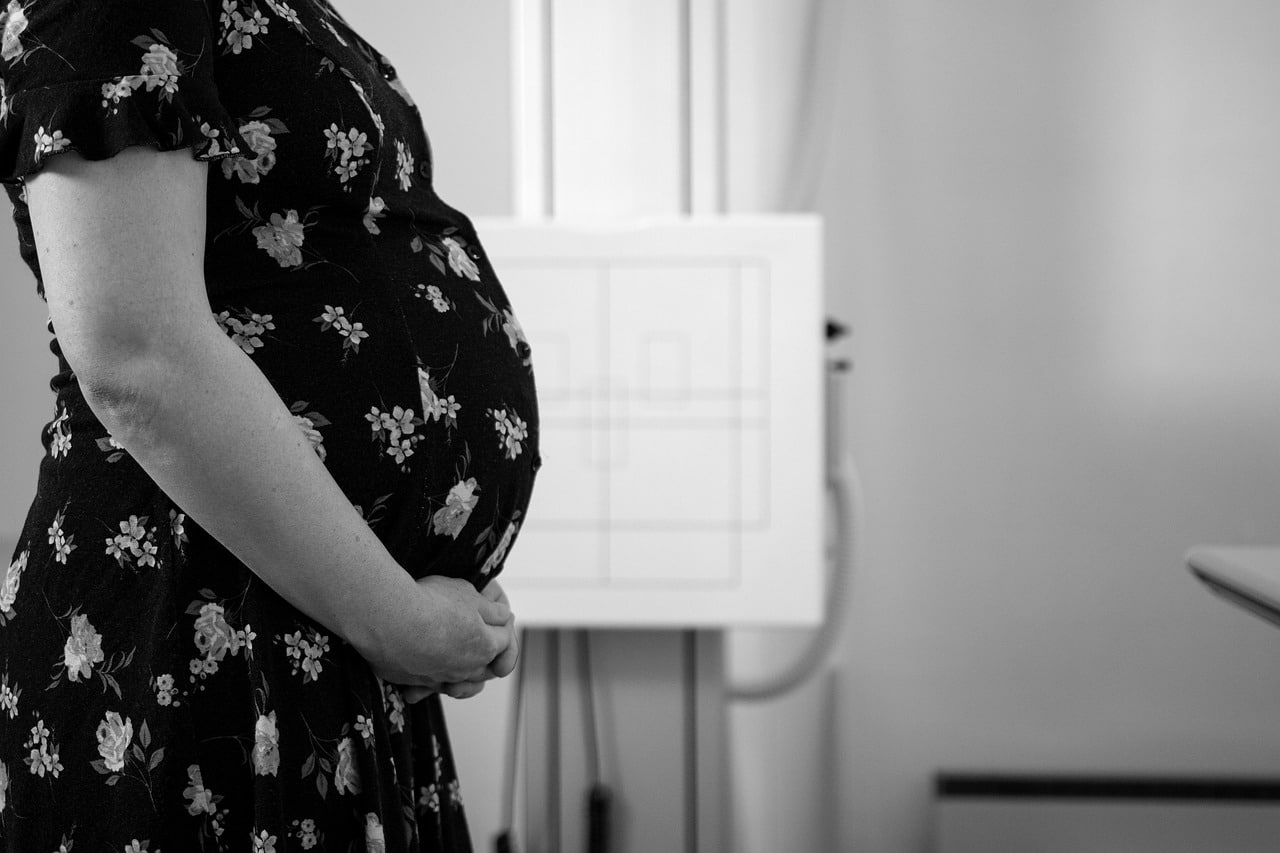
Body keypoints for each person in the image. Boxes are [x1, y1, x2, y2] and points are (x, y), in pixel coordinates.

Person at [0, 0, 540, 849]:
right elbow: (137, 352)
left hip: (323, 624)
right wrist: (398, 619)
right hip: (207, 628)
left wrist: (423, 579)